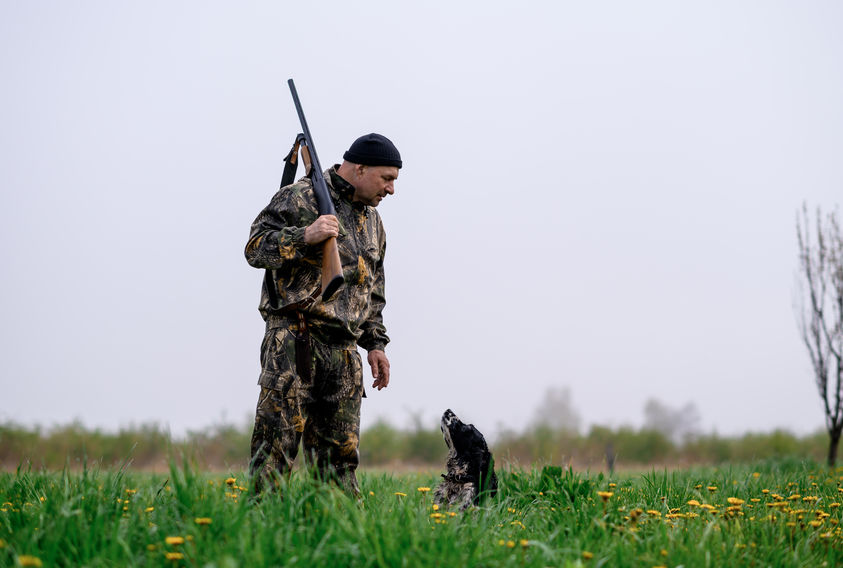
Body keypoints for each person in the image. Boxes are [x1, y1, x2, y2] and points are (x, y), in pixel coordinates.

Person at [245, 133, 401, 494]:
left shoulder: (374, 222)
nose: (391, 190)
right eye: (387, 179)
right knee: (273, 457)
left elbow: (372, 291)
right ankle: (260, 539)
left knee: (340, 466)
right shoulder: (299, 197)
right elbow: (254, 249)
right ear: (359, 169)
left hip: (344, 356)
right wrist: (304, 236)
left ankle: (343, 542)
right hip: (295, 343)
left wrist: (375, 344)